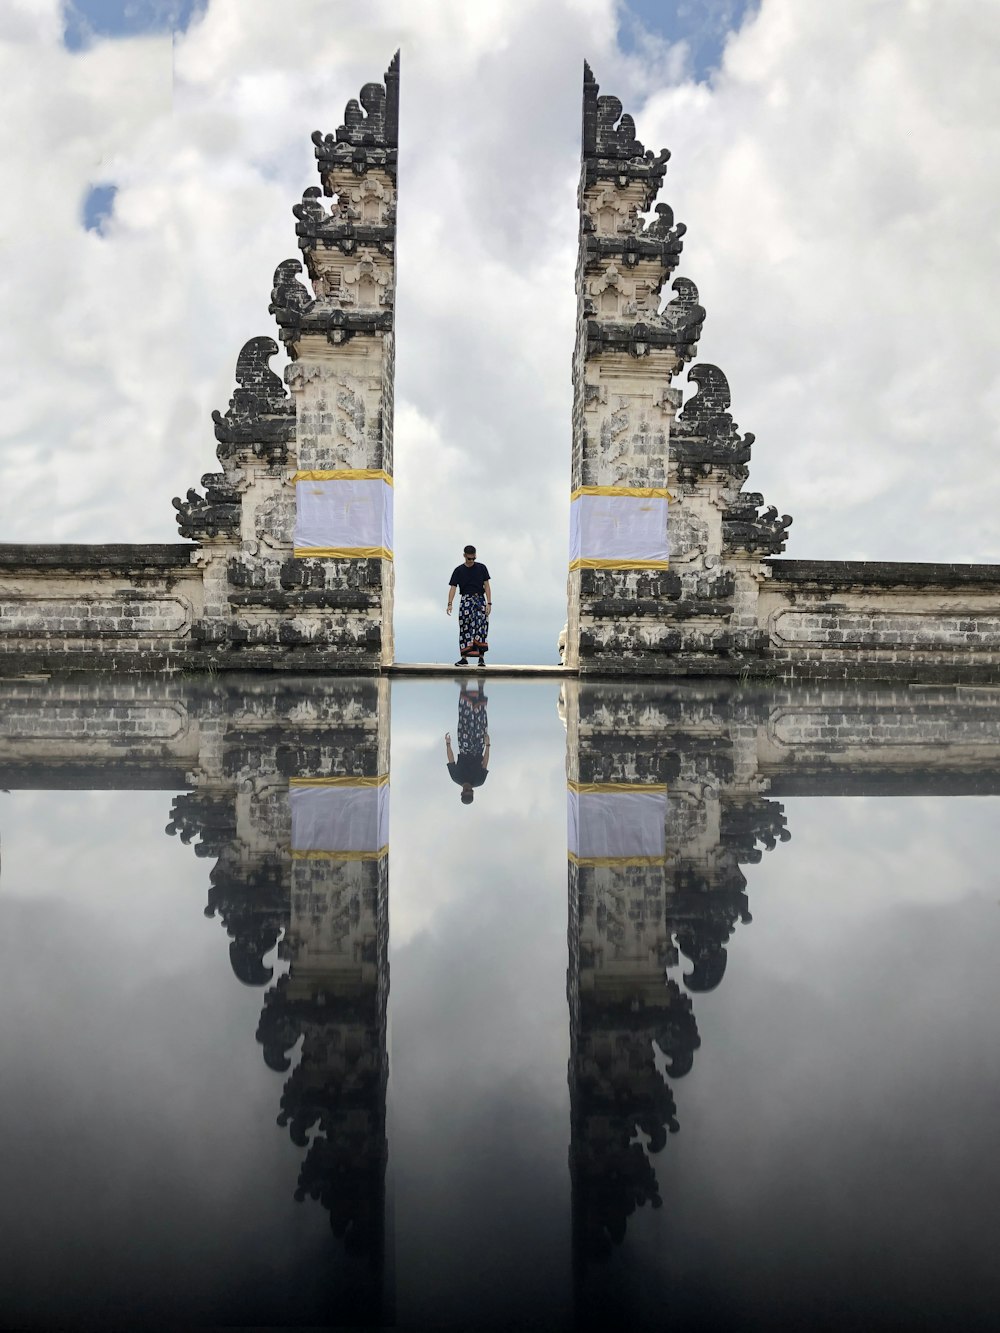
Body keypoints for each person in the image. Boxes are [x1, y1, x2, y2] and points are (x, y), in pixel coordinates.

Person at [446, 544, 491, 667]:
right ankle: (464, 658)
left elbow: (487, 585)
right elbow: (453, 588)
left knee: (481, 628)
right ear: (464, 556)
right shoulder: (459, 570)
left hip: (480, 599)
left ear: (475, 556)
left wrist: (489, 602)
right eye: (469, 559)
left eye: (473, 559)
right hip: (466, 600)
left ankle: (481, 658)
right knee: (465, 628)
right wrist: (450, 604)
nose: (471, 561)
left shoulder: (482, 568)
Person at [445, 680, 490, 804]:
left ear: (462, 792)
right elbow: (485, 763)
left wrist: (448, 744)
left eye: (466, 791)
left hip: (464, 748)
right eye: (471, 791)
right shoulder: (479, 781)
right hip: (479, 748)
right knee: (480, 718)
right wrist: (488, 745)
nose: (469, 789)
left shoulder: (456, 778)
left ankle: (463, 687)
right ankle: (481, 688)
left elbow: (451, 760)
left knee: (464, 719)